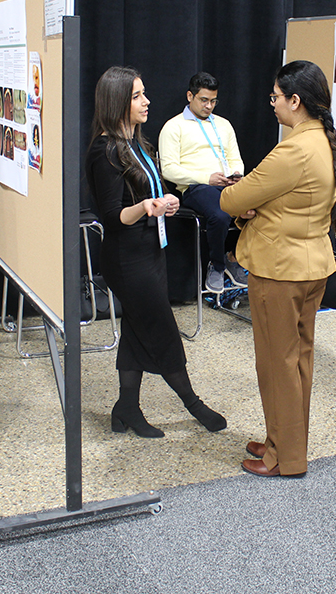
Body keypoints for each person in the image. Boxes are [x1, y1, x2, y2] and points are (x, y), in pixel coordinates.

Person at [220, 60, 336, 477]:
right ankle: (283, 439)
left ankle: (285, 458)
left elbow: (231, 200)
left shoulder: (293, 149)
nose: (271, 104)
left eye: (275, 97)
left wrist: (247, 204)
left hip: (280, 271)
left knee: (277, 364)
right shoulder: (322, 141)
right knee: (297, 361)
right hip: (310, 267)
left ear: (295, 101)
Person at [85, 66, 226, 437]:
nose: (146, 101)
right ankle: (193, 405)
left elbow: (147, 192)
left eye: (144, 93)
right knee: (162, 331)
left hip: (150, 250)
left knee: (136, 330)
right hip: (127, 258)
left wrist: (165, 201)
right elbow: (113, 216)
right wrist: (146, 207)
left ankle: (126, 408)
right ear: (117, 102)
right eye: (136, 96)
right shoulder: (105, 149)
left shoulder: (137, 143)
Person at [158, 72, 247, 293]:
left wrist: (236, 174)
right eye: (204, 100)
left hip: (227, 183)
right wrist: (206, 178)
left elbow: (236, 158)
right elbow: (168, 169)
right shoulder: (173, 127)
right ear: (190, 96)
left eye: (213, 101)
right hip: (196, 187)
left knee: (261, 208)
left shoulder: (224, 125)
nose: (209, 106)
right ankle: (217, 266)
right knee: (220, 214)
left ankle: (233, 257)